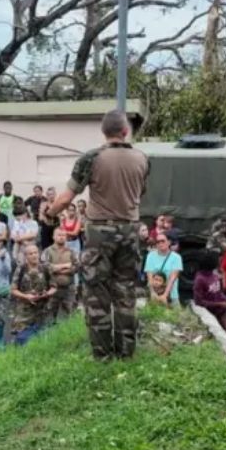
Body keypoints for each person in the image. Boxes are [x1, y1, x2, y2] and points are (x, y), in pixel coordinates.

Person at [46, 109, 149, 360]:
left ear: (103, 132)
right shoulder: (142, 158)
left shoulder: (91, 158)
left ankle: (103, 356)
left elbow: (67, 198)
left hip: (100, 233)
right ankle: (126, 353)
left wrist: (50, 213)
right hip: (130, 230)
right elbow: (139, 193)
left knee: (97, 293)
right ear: (126, 131)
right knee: (125, 292)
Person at [11, 244, 56, 344]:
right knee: (22, 339)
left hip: (43, 311)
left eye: (35, 252)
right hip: (25, 312)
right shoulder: (21, 269)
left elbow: (54, 287)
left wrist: (47, 294)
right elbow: (13, 290)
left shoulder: (46, 267)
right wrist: (26, 296)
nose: (34, 255)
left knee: (43, 339)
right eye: (30, 254)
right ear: (26, 256)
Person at [194, 253, 226, 335]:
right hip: (208, 312)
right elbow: (199, 302)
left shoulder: (214, 275)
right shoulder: (200, 279)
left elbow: (218, 292)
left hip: (221, 309)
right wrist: (220, 304)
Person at [43, 228, 79, 319]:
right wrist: (65, 266)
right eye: (59, 235)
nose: (61, 237)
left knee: (69, 316)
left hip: (69, 289)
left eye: (63, 235)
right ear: (53, 237)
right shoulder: (47, 251)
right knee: (50, 317)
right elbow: (45, 267)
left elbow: (77, 266)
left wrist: (56, 268)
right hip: (52, 289)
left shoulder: (72, 251)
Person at [144, 232, 183, 306]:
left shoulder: (177, 258)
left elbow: (173, 277)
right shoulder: (150, 256)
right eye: (158, 242)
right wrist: (152, 293)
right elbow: (149, 276)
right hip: (154, 295)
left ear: (169, 242)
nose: (160, 243)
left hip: (171, 295)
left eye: (163, 241)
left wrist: (165, 295)